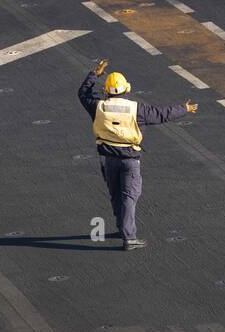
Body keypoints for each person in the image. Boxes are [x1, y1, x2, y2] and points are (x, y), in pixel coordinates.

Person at [78, 61, 198, 251]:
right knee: (129, 196)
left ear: (106, 90)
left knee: (116, 194)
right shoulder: (137, 109)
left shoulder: (97, 106)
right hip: (130, 160)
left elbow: (83, 94)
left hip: (109, 159)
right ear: (126, 89)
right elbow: (162, 114)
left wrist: (95, 73)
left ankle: (122, 228)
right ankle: (129, 237)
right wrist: (185, 108)